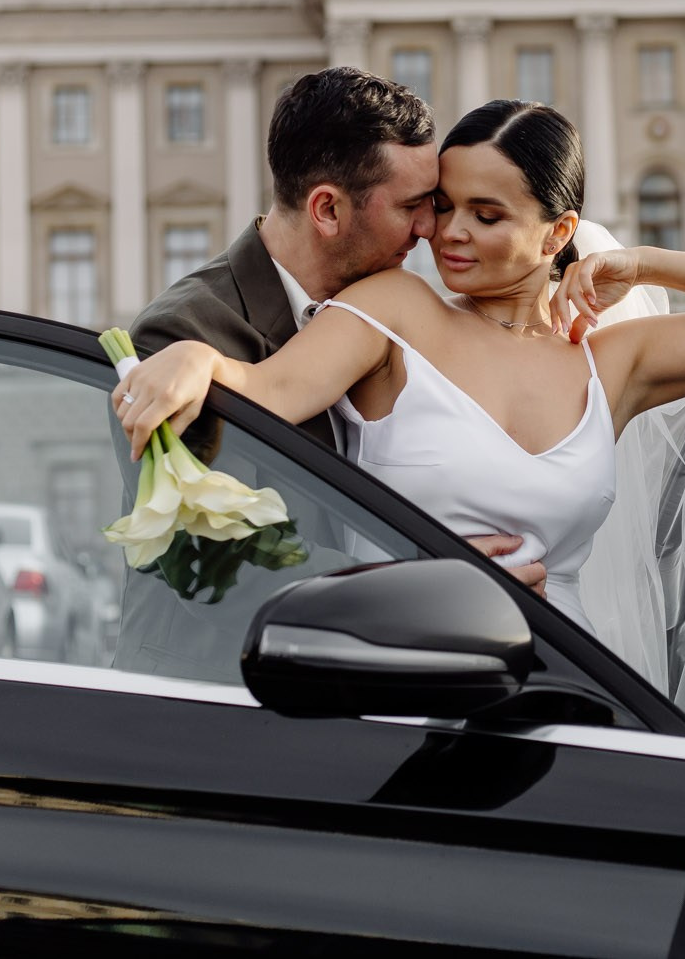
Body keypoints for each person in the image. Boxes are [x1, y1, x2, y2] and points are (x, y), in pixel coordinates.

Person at [114, 98, 685, 632]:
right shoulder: (393, 307)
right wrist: (195, 355)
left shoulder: (611, 360)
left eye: (486, 216)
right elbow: (267, 391)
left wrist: (642, 263)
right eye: (443, 205)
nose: (447, 233)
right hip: (408, 674)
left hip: (568, 677)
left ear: (557, 233)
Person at [110, 68, 542, 679]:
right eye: (414, 207)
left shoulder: (395, 320)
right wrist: (426, 587)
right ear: (328, 210)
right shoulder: (182, 338)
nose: (431, 231)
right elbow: (218, 565)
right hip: (213, 717)